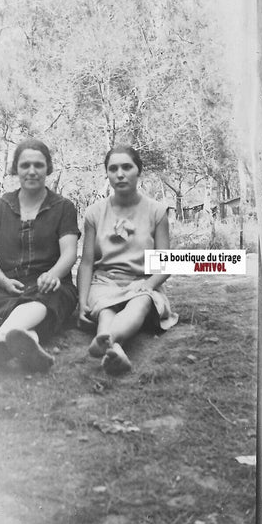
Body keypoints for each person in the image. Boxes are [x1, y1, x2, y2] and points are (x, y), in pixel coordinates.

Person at [0, 138, 80, 373]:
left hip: (49, 285)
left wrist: (54, 274)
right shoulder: (0, 207)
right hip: (9, 285)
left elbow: (70, 251)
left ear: (49, 168)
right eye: (25, 166)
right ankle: (28, 342)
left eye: (38, 165)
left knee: (46, 301)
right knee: (1, 311)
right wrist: (2, 280)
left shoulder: (63, 207)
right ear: (16, 169)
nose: (32, 171)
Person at [77, 144, 178, 375]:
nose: (120, 174)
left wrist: (149, 284)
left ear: (138, 170)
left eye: (126, 167)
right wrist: (82, 301)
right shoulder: (94, 213)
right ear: (107, 174)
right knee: (105, 309)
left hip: (142, 281)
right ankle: (114, 349)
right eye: (113, 169)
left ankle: (108, 340)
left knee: (141, 302)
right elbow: (86, 262)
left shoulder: (157, 211)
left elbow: (166, 263)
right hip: (104, 282)